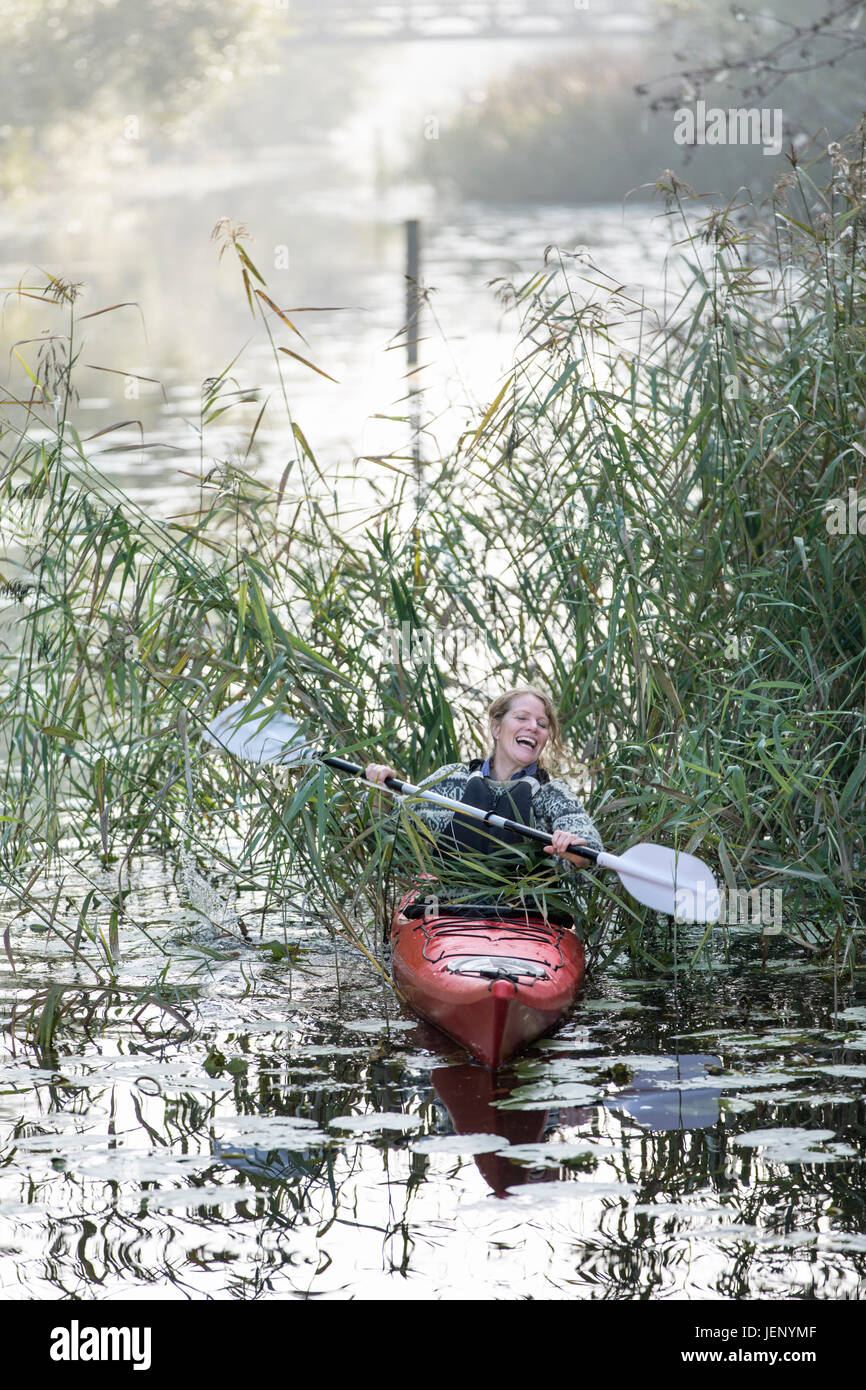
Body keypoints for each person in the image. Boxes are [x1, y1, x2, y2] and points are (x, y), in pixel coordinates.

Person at [364, 686, 602, 893]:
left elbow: (590, 849)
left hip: (525, 916)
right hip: (449, 908)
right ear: (496, 728)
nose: (533, 727)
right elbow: (388, 830)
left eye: (542, 724)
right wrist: (380, 794)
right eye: (522, 718)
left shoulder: (552, 795)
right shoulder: (451, 780)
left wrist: (577, 852)